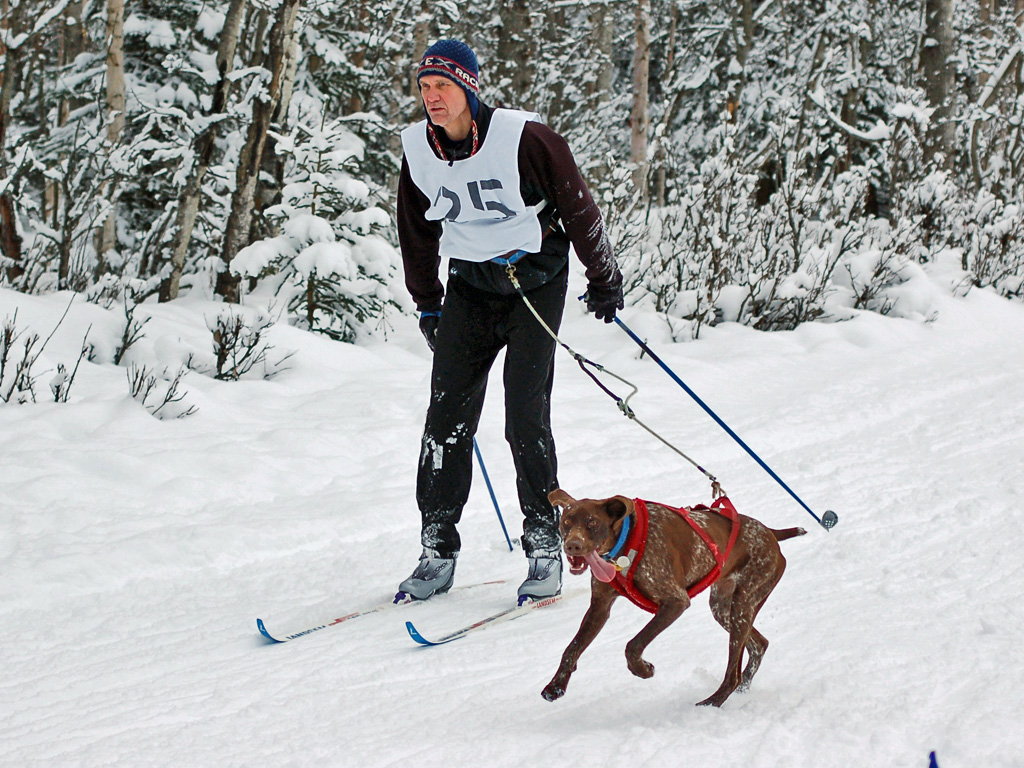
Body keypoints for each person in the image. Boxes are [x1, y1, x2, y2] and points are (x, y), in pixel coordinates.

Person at [395, 39, 623, 605]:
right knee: (445, 417)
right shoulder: (418, 151)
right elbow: (416, 232)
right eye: (425, 88)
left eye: (442, 86)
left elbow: (578, 207)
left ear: (469, 89)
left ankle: (544, 543)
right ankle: (437, 546)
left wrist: (604, 277)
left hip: (534, 284)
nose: (432, 98)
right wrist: (428, 302)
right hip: (470, 289)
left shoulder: (525, 138)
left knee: (524, 417)